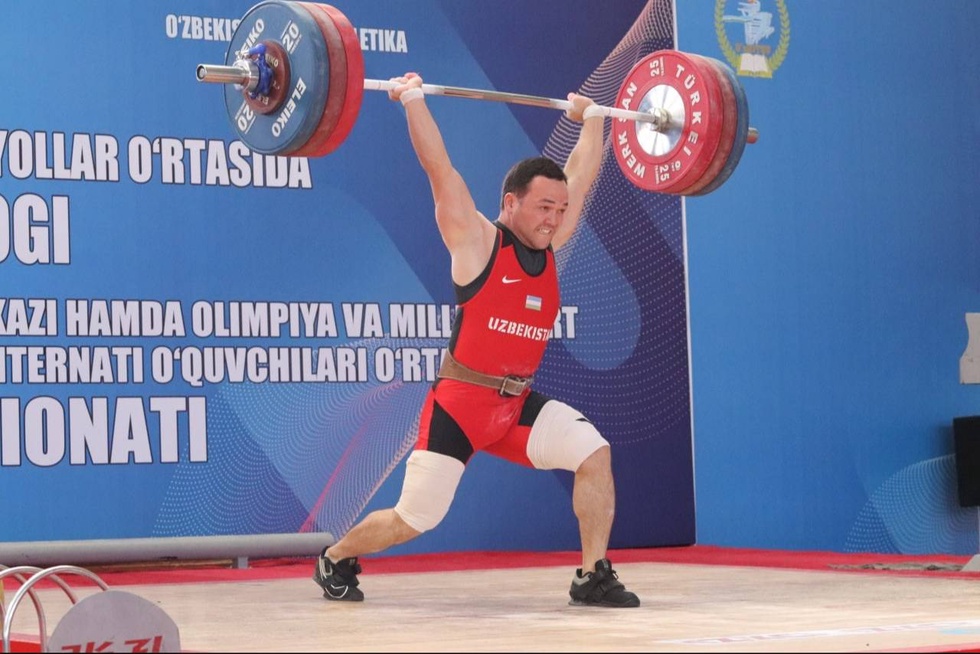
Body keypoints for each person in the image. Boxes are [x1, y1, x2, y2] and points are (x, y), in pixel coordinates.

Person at [313, 72, 639, 608]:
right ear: (510, 202)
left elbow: (581, 177)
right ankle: (335, 556)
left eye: (559, 210)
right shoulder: (477, 242)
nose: (554, 219)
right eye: (544, 208)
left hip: (514, 407)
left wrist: (594, 120)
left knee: (593, 452)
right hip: (460, 407)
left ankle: (592, 575)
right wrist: (412, 100)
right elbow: (440, 170)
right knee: (415, 518)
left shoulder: (550, 243)